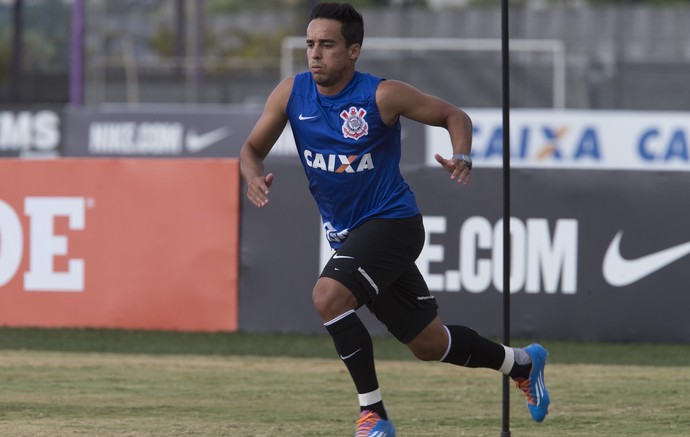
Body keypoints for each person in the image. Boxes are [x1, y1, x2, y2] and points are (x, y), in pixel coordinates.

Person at [239, 2, 551, 436]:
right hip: (349, 237)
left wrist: (461, 154)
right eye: (311, 44)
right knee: (428, 343)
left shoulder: (381, 95)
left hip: (394, 223)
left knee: (328, 296)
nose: (315, 54)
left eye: (327, 45)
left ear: (354, 51)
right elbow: (250, 150)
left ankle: (374, 416)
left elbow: (453, 115)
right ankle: (521, 362)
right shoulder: (291, 94)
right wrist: (253, 177)